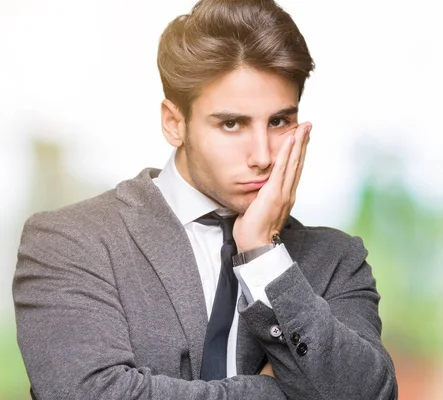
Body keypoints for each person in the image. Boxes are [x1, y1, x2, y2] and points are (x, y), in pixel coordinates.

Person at [12, 0, 398, 398]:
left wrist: (264, 256)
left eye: (280, 121)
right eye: (232, 124)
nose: (263, 156)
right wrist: (272, 393)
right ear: (174, 123)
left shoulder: (336, 259)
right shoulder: (70, 243)